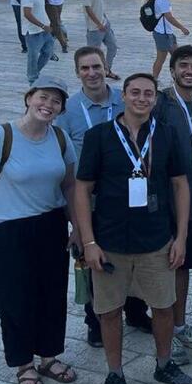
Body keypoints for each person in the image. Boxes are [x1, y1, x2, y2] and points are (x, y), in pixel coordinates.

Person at [73, 73, 192, 384]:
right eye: (135, 92)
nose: (142, 98)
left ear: (155, 99)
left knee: (163, 307)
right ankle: (115, 373)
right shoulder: (99, 136)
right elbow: (82, 189)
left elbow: (181, 186)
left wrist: (181, 237)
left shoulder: (167, 135)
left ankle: (164, 363)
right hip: (109, 241)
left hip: (156, 239)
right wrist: (89, 241)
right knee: (109, 311)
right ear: (123, 96)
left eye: (148, 94)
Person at [0, 77, 78, 384]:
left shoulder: (59, 137)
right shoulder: (1, 136)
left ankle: (49, 356)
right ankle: (23, 362)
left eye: (56, 102)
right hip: (7, 230)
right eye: (43, 97)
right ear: (29, 98)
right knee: (14, 297)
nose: (48, 105)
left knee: (52, 294)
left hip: (50, 225)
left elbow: (69, 185)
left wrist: (77, 226)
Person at [55, 47, 151, 345]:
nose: (92, 73)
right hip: (92, 196)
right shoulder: (68, 110)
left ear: (106, 66)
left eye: (97, 66)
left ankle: (135, 311)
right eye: (85, 68)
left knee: (135, 254)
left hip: (130, 193)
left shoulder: (124, 99)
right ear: (77, 72)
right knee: (93, 257)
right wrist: (73, 220)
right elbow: (64, 163)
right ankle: (95, 320)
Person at [153, 46, 192, 358]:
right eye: (183, 66)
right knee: (162, 265)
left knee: (183, 263)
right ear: (172, 70)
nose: (189, 71)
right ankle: (163, 329)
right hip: (166, 199)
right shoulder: (161, 103)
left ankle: (177, 325)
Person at [81, 0, 120, 80]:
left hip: (105, 23)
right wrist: (98, 24)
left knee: (112, 46)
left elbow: (100, 6)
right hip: (94, 28)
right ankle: (89, 74)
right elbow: (88, 9)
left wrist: (105, 20)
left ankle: (107, 70)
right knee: (92, 54)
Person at [150, 0, 190, 81]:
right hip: (162, 33)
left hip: (167, 33)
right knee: (161, 59)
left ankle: (178, 78)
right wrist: (182, 28)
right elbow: (169, 17)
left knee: (177, 56)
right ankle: (154, 80)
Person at [21, 0, 56, 85]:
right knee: (33, 56)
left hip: (44, 30)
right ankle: (32, 79)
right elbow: (27, 13)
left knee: (48, 52)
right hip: (33, 32)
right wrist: (42, 25)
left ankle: (35, 73)